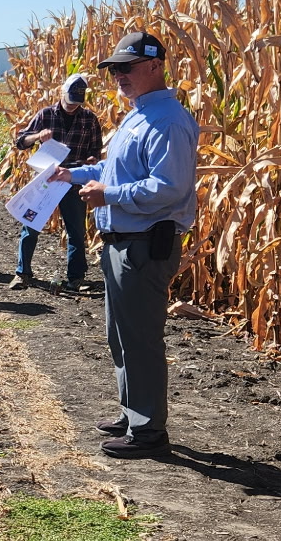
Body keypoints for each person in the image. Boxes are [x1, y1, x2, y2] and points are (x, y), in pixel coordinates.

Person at [64, 30, 199, 457]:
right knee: (119, 334)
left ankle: (148, 432)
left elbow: (168, 187)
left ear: (156, 66)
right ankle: (132, 412)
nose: (118, 76)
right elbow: (118, 169)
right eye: (114, 69)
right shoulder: (138, 114)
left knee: (139, 338)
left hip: (143, 244)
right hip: (123, 241)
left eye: (127, 67)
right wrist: (76, 174)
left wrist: (109, 196)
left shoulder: (168, 120)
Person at [12, 72, 104, 292]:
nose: (73, 106)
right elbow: (20, 141)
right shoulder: (45, 115)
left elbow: (95, 151)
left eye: (77, 103)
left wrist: (92, 160)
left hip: (73, 179)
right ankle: (22, 273)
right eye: (70, 101)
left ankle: (75, 278)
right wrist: (37, 137)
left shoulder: (89, 119)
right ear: (62, 93)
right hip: (47, 179)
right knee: (31, 225)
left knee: (76, 230)